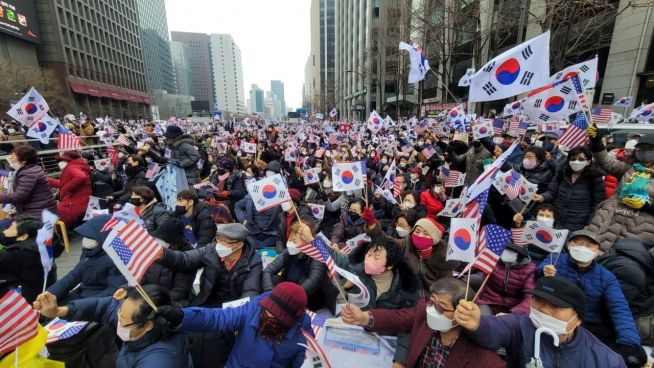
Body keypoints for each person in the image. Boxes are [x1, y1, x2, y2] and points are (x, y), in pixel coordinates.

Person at [454, 277, 628, 367]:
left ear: (578, 318)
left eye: (556, 306)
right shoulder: (520, 326)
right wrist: (477, 323)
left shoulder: (607, 360)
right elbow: (495, 329)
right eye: (538, 300)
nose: (544, 309)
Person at [158, 222, 261, 366]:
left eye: (225, 241)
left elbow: (250, 294)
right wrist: (163, 255)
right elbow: (185, 259)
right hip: (204, 301)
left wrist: (235, 317)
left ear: (238, 245)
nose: (219, 243)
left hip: (229, 310)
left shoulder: (253, 263)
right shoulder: (211, 249)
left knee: (214, 346)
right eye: (219, 238)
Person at [537, 230, 646, 365]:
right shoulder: (555, 259)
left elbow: (619, 308)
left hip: (588, 325)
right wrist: (543, 272)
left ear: (597, 251)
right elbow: (539, 272)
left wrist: (630, 343)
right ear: (569, 245)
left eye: (589, 245)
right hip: (554, 317)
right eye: (578, 243)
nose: (583, 247)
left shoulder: (606, 277)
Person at [341, 278, 504, 368]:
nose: (432, 310)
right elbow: (399, 318)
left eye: (441, 308)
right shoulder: (424, 314)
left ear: (461, 313)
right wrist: (364, 318)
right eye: (431, 302)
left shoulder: (485, 359)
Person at [33, 285, 193, 368]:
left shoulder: (159, 360)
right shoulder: (138, 321)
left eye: (122, 318)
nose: (118, 319)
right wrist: (59, 311)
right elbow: (105, 306)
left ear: (148, 325)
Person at [157, 282, 311, 368]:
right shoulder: (254, 307)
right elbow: (217, 318)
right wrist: (182, 316)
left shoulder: (304, 338)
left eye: (276, 316)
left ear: (292, 319)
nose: (267, 316)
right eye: (267, 310)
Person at [586, 129, 654, 250]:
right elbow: (605, 161)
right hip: (606, 221)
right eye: (641, 149)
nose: (644, 152)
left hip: (638, 231)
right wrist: (596, 142)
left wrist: (648, 205)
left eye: (649, 149)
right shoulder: (629, 168)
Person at [362, 209, 458, 293]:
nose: (420, 235)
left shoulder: (443, 258)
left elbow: (447, 287)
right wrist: (372, 225)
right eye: (417, 231)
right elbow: (386, 241)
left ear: (435, 239)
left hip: (430, 301)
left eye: (426, 233)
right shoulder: (405, 245)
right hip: (406, 295)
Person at [47, 215, 126, 304]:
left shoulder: (116, 259)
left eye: (90, 236)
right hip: (82, 293)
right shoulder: (89, 253)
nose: (85, 239)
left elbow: (113, 290)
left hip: (98, 301)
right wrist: (50, 293)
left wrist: (82, 305)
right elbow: (73, 276)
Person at [533, 146, 606, 232]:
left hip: (578, 222)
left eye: (581, 159)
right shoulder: (562, 172)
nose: (576, 162)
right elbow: (551, 191)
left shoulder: (595, 178)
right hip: (556, 216)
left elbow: (597, 205)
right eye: (573, 159)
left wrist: (589, 224)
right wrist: (542, 197)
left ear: (588, 161)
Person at [263, 219, 327, 310]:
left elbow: (312, 282)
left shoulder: (318, 256)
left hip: (309, 297)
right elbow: (267, 270)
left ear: (306, 242)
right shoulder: (288, 252)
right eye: (290, 239)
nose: (290, 243)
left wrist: (283, 299)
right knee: (273, 279)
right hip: (288, 288)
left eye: (294, 240)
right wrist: (269, 293)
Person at [0, 215, 60, 304]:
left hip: (26, 301)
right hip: (42, 292)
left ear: (23, 236)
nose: (5, 231)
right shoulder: (41, 244)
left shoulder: (17, 252)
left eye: (11, 228)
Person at [475, 242, 536, 315]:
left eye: (512, 250)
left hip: (513, 307)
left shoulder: (530, 269)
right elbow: (484, 284)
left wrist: (513, 313)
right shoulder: (493, 259)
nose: (506, 252)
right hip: (488, 301)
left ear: (521, 254)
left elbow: (529, 297)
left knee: (502, 324)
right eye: (505, 248)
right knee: (483, 321)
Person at [0, 145, 55, 217]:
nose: (10, 160)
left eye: (13, 157)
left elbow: (18, 196)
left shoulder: (28, 173)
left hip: (38, 215)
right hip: (39, 210)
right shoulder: (32, 169)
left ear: (24, 161)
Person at [48, 151, 93, 227]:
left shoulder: (71, 167)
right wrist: (47, 180)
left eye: (61, 160)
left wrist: (66, 189)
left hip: (74, 203)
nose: (60, 163)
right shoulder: (76, 166)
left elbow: (81, 177)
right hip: (81, 201)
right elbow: (63, 183)